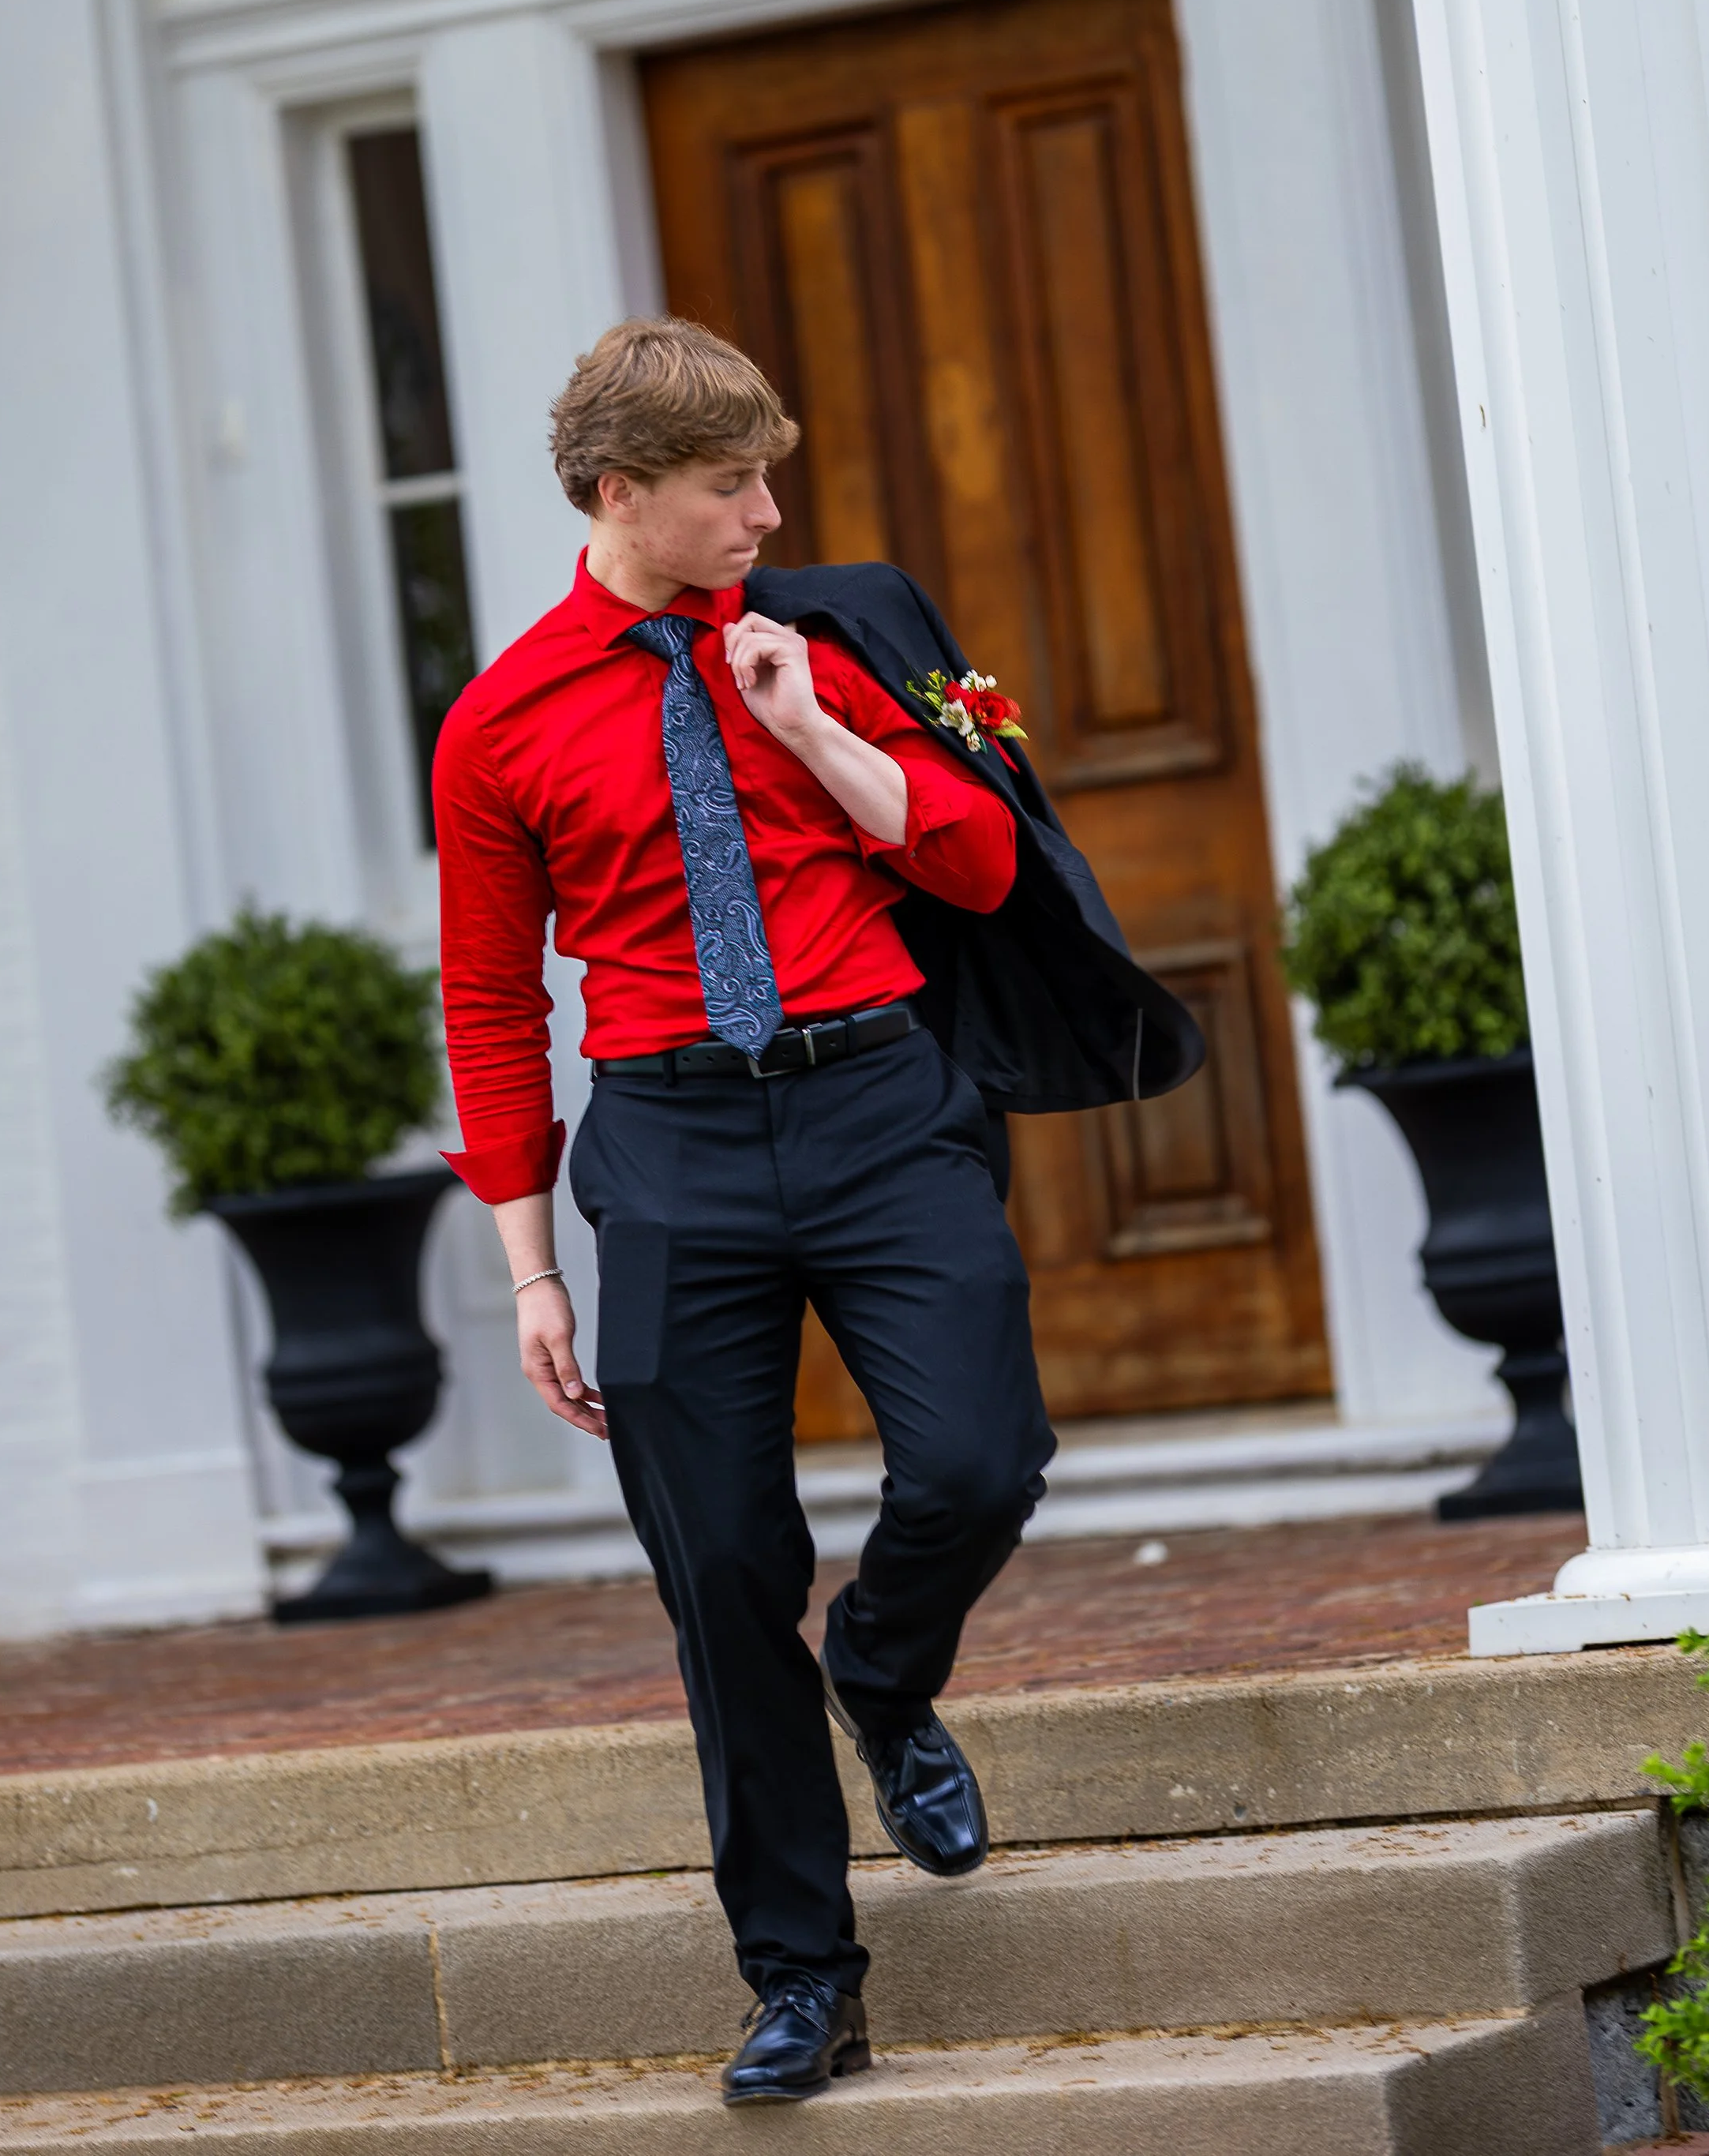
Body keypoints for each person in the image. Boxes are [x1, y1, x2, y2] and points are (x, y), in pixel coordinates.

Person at [433, 317, 1199, 2107]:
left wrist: (811, 735)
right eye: (726, 486)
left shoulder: (821, 648)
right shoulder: (499, 723)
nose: (766, 511)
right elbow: (485, 1005)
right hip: (671, 1152)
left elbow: (987, 861)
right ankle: (799, 1974)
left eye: (767, 474)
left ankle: (882, 1667)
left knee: (974, 1462)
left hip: (877, 1110)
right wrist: (529, 1268)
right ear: (617, 495)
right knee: (717, 1579)